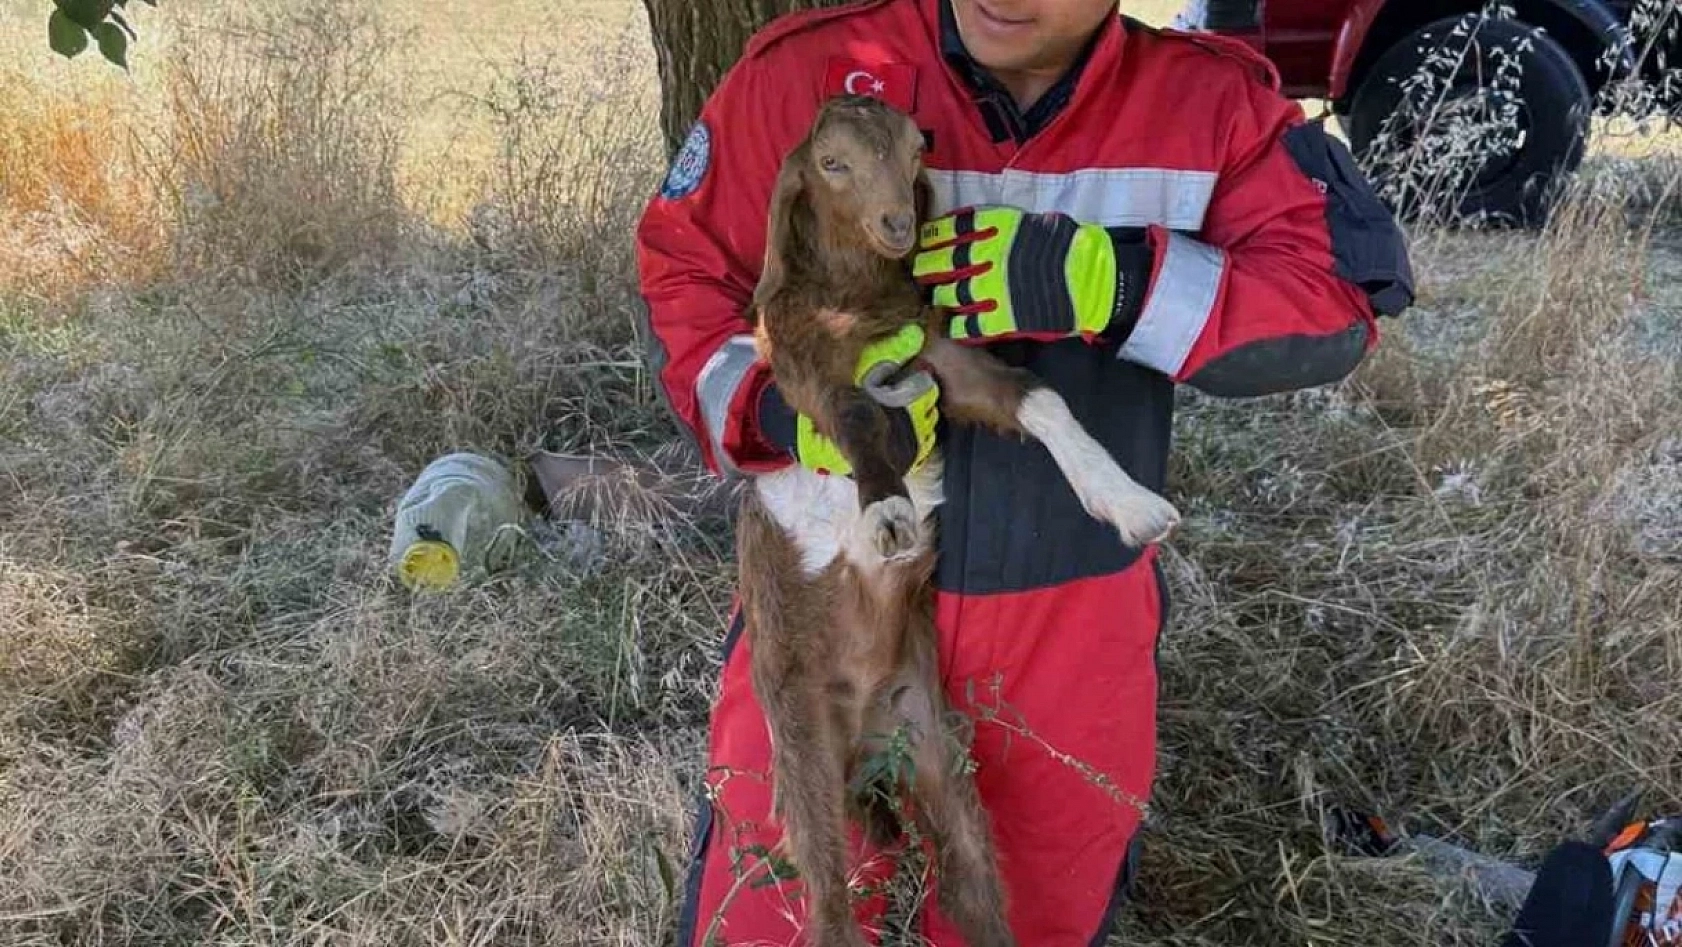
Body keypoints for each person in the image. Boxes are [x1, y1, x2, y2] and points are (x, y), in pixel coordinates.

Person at [634, 0, 1415, 943]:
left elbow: (1335, 294)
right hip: (825, 601)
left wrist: (1114, 283)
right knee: (784, 910)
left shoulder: (1204, 103)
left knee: (1024, 912)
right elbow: (685, 271)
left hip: (1068, 617)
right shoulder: (815, 72)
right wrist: (770, 409)